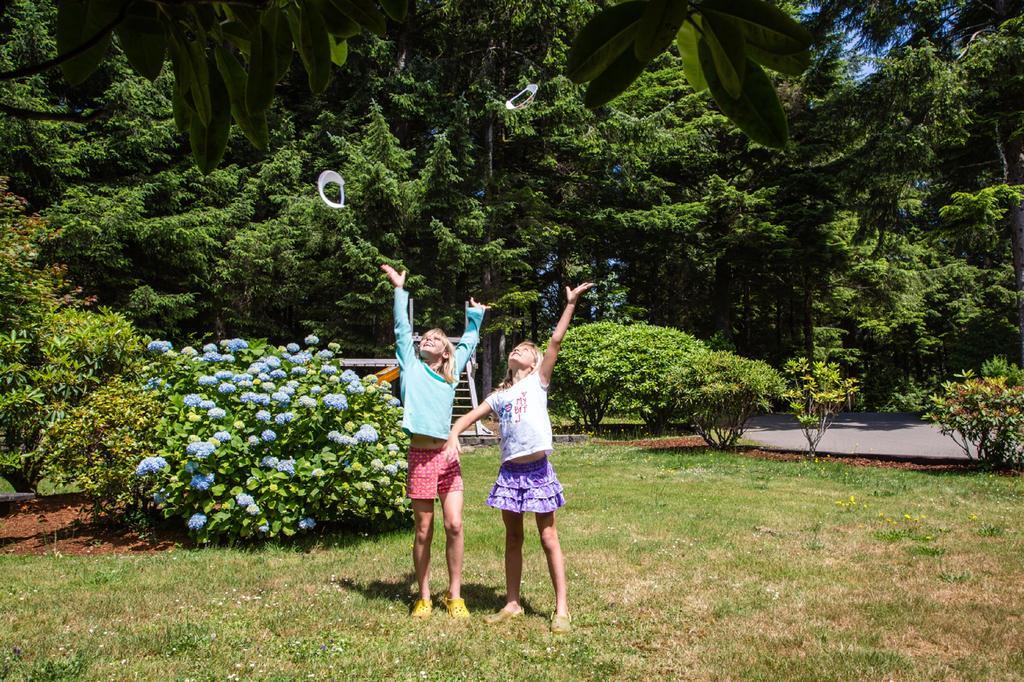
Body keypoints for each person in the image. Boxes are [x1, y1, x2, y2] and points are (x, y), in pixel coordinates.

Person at [444, 282, 593, 633]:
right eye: (515, 348)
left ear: (535, 361)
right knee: (513, 538)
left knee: (548, 537)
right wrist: (453, 433)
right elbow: (469, 416)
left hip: (538, 470)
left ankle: (561, 609)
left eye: (525, 348)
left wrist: (569, 303)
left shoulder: (539, 381)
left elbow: (555, 340)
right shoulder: (500, 395)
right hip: (510, 473)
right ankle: (512, 603)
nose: (518, 350)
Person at [381, 263, 487, 620]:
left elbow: (469, 344)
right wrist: (399, 290)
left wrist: (474, 316)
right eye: (424, 336)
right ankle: (424, 596)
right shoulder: (409, 366)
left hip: (447, 457)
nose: (427, 338)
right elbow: (401, 329)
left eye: (436, 338)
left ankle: (454, 595)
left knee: (454, 524)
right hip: (420, 457)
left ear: (445, 353)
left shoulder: (451, 373)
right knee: (423, 529)